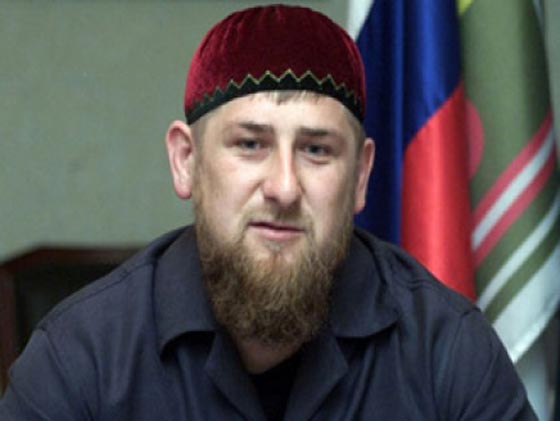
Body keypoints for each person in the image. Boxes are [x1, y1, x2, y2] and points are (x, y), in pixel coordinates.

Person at [0, 4, 535, 420]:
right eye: (250, 144)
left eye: (317, 150)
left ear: (361, 177)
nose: (283, 187)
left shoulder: (449, 351)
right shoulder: (81, 359)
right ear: (186, 161)